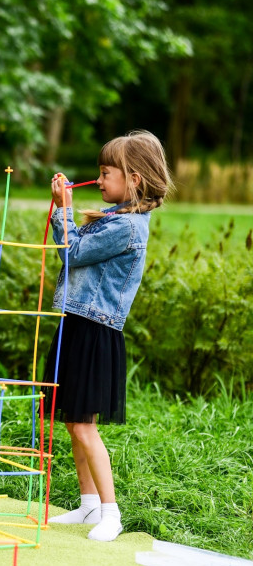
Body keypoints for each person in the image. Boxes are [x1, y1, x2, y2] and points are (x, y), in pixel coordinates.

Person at [42, 130, 172, 542]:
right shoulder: (115, 218)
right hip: (79, 323)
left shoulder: (127, 227)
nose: (98, 181)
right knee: (73, 420)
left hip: (95, 331)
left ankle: (111, 514)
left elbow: (74, 252)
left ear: (134, 179)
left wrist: (64, 209)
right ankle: (88, 505)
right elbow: (74, 247)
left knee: (84, 427)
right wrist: (62, 210)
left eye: (105, 173)